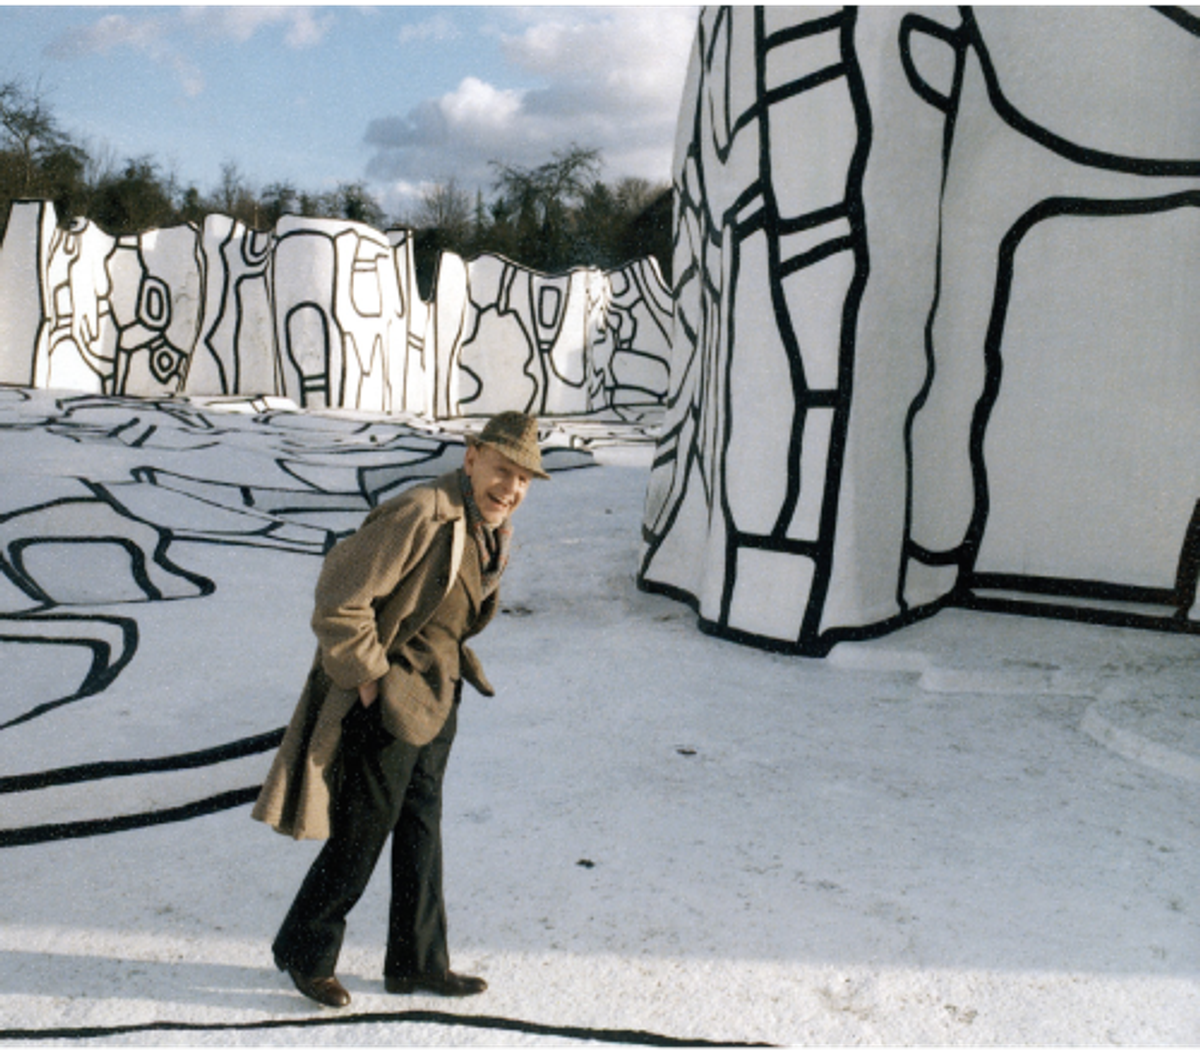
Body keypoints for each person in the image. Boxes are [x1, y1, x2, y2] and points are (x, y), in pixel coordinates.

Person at [252, 411, 548, 1008]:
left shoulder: (488, 524)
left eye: (522, 479)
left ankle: (416, 963)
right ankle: (306, 951)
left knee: (420, 829)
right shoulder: (421, 512)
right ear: (471, 458)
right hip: (389, 700)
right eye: (501, 470)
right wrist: (369, 680)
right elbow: (339, 596)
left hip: (438, 695)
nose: (510, 488)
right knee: (362, 834)